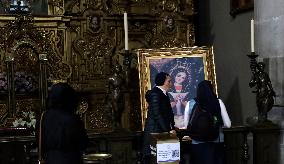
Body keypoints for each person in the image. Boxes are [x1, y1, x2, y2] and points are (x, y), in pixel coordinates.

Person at [184, 80, 231, 164]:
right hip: (216, 142)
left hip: (197, 143)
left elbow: (186, 125)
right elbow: (228, 124)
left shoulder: (190, 103)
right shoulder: (218, 102)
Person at [41, 83, 89, 164]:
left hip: (49, 159)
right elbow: (83, 143)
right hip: (70, 159)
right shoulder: (72, 118)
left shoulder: (43, 117)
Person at [143, 72, 176, 164]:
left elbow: (168, 114)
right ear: (163, 82)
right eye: (169, 81)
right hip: (155, 131)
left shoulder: (163, 93)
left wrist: (172, 128)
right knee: (156, 159)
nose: (171, 83)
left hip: (160, 130)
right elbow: (157, 114)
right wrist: (168, 130)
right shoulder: (155, 93)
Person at [107, 64, 124, 129]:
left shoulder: (121, 77)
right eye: (117, 67)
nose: (118, 69)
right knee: (115, 109)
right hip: (114, 94)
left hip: (120, 94)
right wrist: (108, 94)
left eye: (119, 67)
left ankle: (119, 122)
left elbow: (124, 85)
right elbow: (107, 87)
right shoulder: (111, 78)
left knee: (120, 109)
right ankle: (115, 122)